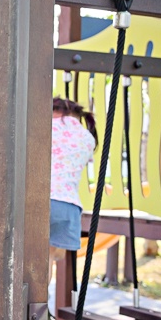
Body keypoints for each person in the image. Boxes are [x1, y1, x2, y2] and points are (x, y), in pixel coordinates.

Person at [49, 97, 98, 263]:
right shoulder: (87, 137)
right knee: (49, 257)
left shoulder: (45, 127)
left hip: (41, 200)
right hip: (68, 206)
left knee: (29, 255)